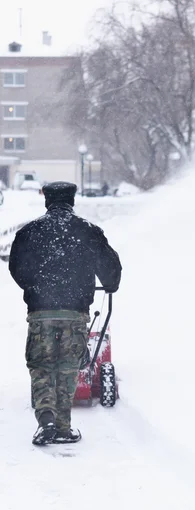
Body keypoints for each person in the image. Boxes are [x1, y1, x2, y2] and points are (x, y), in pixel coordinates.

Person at [8, 181, 122, 446]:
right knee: (69, 366)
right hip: (75, 312)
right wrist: (108, 282)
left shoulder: (29, 232)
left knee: (41, 366)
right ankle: (63, 426)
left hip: (40, 313)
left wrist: (36, 287)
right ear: (72, 201)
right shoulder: (89, 231)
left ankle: (45, 419)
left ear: (47, 201)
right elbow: (111, 271)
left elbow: (16, 268)